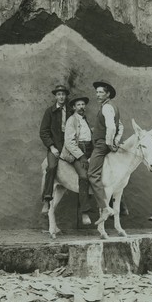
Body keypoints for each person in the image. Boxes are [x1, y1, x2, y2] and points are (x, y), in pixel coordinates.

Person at [88, 80, 124, 225]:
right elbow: (120, 126)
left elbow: (111, 128)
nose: (98, 94)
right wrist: (116, 140)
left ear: (108, 94)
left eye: (101, 92)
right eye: (97, 92)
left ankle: (105, 207)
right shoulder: (112, 107)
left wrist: (109, 143)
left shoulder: (107, 108)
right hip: (105, 143)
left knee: (92, 174)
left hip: (101, 145)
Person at [60, 96, 93, 225]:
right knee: (84, 177)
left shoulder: (85, 120)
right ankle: (84, 212)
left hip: (89, 149)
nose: (81, 107)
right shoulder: (71, 120)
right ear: (74, 107)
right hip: (76, 152)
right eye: (78, 105)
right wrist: (82, 156)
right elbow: (69, 142)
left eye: (83, 104)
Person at [39, 85, 71, 214]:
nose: (61, 97)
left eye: (63, 94)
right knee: (51, 167)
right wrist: (52, 147)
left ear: (66, 96)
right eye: (59, 94)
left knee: (83, 167)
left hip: (69, 147)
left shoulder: (71, 111)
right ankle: (47, 199)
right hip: (55, 147)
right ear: (55, 96)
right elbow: (43, 132)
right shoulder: (49, 111)